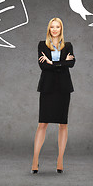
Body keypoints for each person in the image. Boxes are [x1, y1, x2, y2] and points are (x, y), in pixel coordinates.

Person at [31, 17, 75, 174]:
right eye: (52, 27)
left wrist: (52, 63)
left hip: (63, 89)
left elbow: (71, 64)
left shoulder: (68, 45)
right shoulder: (42, 45)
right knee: (43, 123)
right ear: (49, 29)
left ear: (61, 28)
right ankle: (35, 160)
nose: (55, 29)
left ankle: (60, 159)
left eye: (57, 26)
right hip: (47, 88)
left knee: (63, 124)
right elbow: (42, 65)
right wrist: (58, 64)